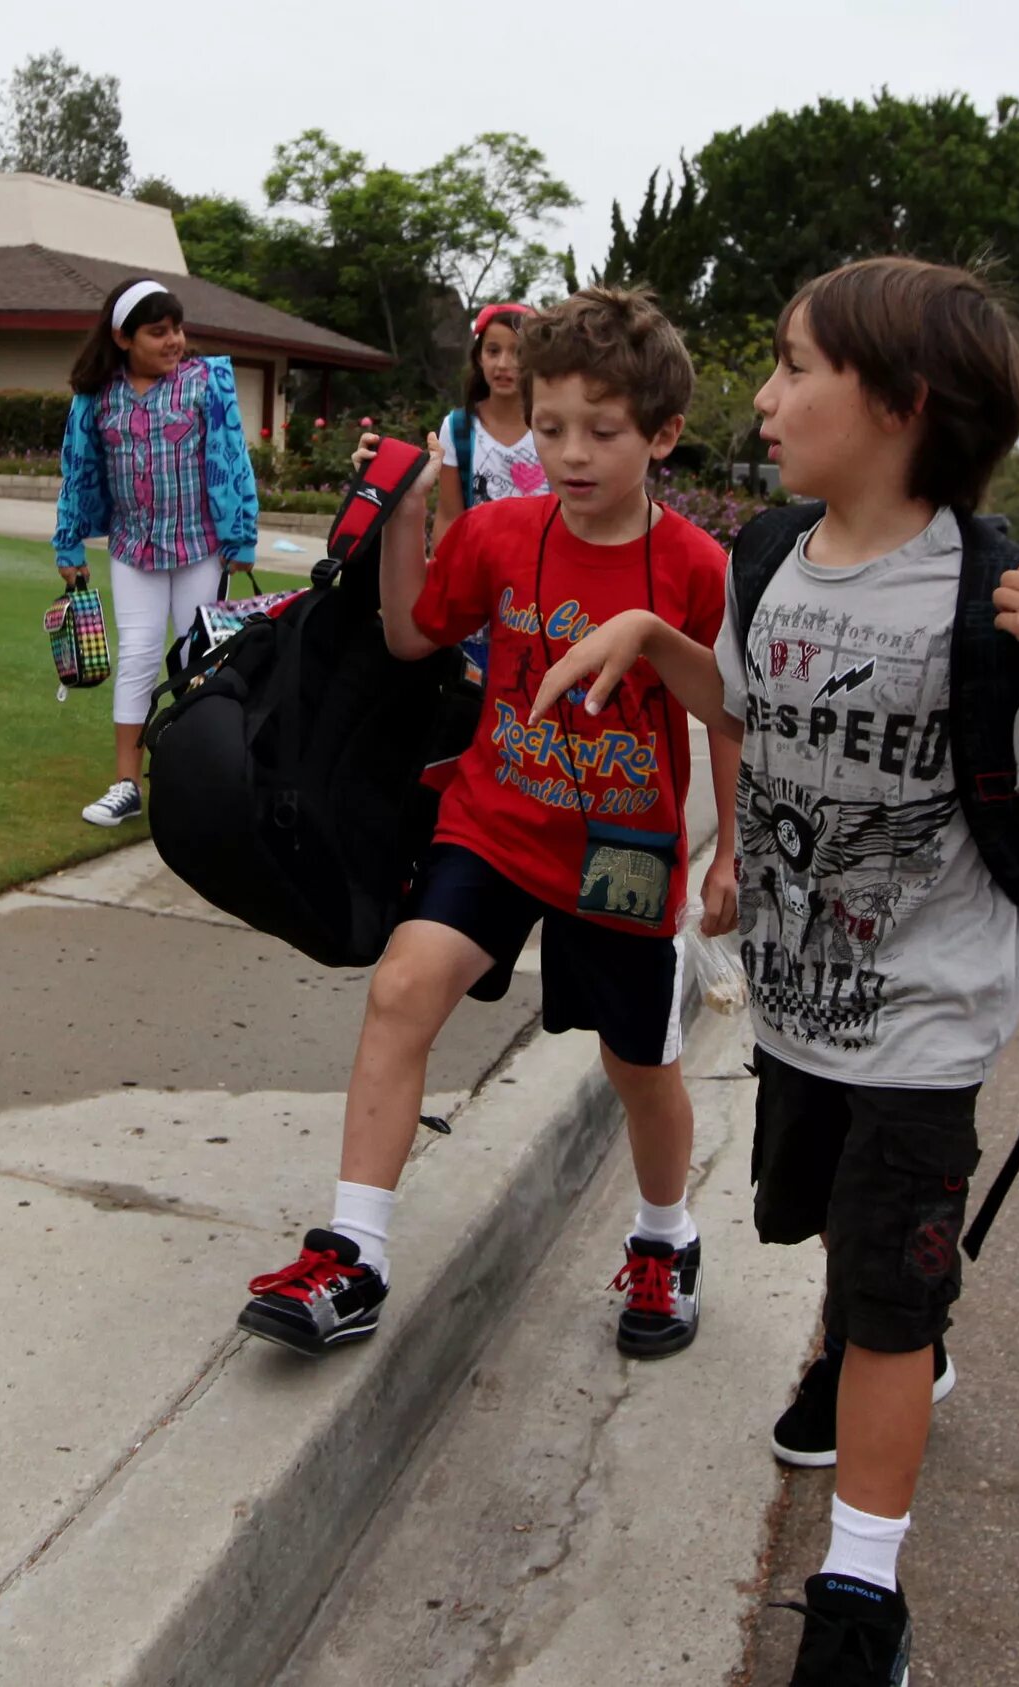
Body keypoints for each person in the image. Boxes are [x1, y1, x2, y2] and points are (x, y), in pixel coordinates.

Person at [527, 257, 1019, 1686]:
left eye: (796, 365)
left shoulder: (992, 595)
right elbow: (748, 701)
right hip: (802, 1007)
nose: (766, 393)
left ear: (902, 404)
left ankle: (863, 1593)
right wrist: (650, 637)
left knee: (886, 1293)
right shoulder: (774, 556)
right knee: (815, 1231)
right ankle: (882, 1331)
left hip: (929, 1018)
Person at [236, 286, 742, 1364]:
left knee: (636, 1064)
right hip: (495, 820)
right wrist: (411, 510)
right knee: (404, 986)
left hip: (622, 856)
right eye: (551, 427)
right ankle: (355, 1256)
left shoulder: (697, 568)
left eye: (601, 432)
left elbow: (729, 712)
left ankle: (666, 1238)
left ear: (661, 433)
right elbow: (420, 636)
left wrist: (728, 849)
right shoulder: (504, 533)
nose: (570, 453)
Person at [52, 277, 261, 827]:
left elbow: (234, 458)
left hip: (201, 548)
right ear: (123, 338)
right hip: (132, 550)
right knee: (140, 656)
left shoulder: (205, 382)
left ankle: (199, 781)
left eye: (177, 329)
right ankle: (126, 784)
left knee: (200, 663)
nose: (173, 341)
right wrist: (68, 540)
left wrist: (242, 535)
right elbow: (76, 471)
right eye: (158, 332)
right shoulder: (95, 397)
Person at [432, 300, 549, 685]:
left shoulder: (552, 426)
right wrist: (442, 585)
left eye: (517, 353)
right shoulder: (460, 428)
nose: (504, 364)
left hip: (543, 602)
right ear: (478, 357)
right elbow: (449, 514)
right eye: (493, 351)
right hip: (477, 604)